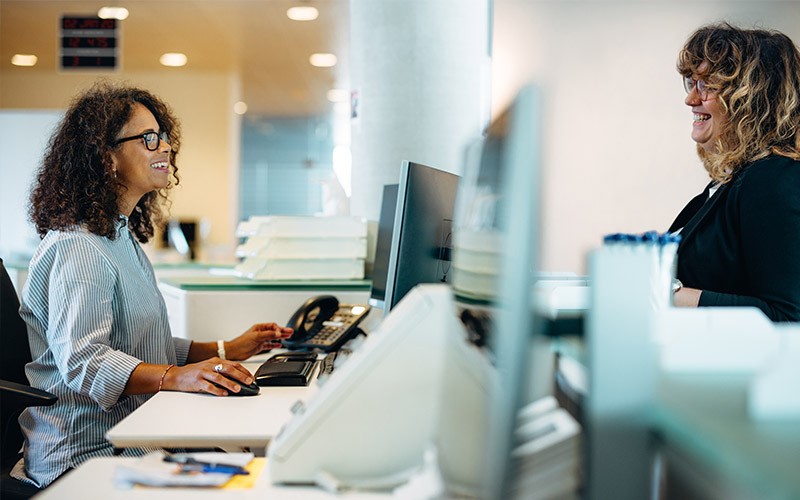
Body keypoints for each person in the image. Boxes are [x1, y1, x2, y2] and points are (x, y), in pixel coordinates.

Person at [13, 82, 293, 488]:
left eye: (163, 137)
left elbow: (142, 343)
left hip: (137, 434)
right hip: (86, 452)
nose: (164, 148)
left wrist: (225, 350)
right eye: (148, 138)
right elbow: (83, 362)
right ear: (105, 156)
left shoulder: (118, 236)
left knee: (252, 467)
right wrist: (175, 377)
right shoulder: (79, 247)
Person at [669, 23, 800, 322]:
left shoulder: (772, 180)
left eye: (708, 86)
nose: (691, 100)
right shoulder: (730, 182)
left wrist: (667, 293)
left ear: (751, 99)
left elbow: (787, 317)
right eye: (692, 83)